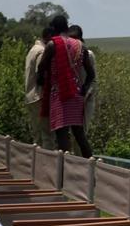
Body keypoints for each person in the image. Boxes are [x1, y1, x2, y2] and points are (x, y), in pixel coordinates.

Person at [37, 14, 95, 157]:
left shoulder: (53, 44)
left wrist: (41, 82)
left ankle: (64, 170)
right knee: (79, 134)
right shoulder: (80, 45)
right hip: (77, 94)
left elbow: (41, 67)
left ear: (54, 28)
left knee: (62, 134)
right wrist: (83, 88)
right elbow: (91, 74)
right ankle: (91, 165)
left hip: (60, 94)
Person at [25, 23, 55, 148]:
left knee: (37, 136)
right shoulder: (42, 51)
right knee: (47, 135)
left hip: (30, 97)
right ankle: (47, 164)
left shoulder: (33, 49)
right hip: (39, 96)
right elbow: (40, 75)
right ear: (48, 37)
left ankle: (37, 164)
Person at [68, 23, 98, 135]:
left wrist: (85, 95)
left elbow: (93, 79)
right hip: (71, 98)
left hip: (85, 99)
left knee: (81, 132)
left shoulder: (88, 54)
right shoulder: (66, 54)